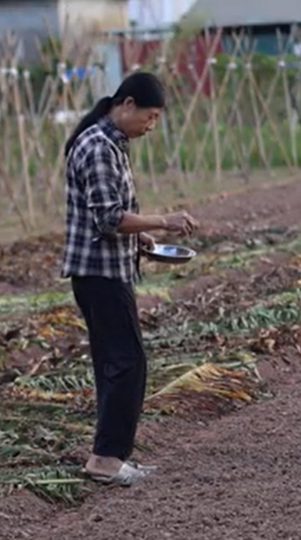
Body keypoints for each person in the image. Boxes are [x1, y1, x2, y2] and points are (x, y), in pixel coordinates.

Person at [61, 71, 198, 486]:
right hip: (99, 274)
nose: (151, 126)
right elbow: (108, 218)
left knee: (115, 362)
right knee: (127, 362)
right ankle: (106, 459)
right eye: (150, 116)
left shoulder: (111, 143)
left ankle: (109, 456)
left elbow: (108, 216)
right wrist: (165, 221)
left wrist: (141, 236)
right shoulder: (99, 147)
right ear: (125, 104)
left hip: (105, 270)